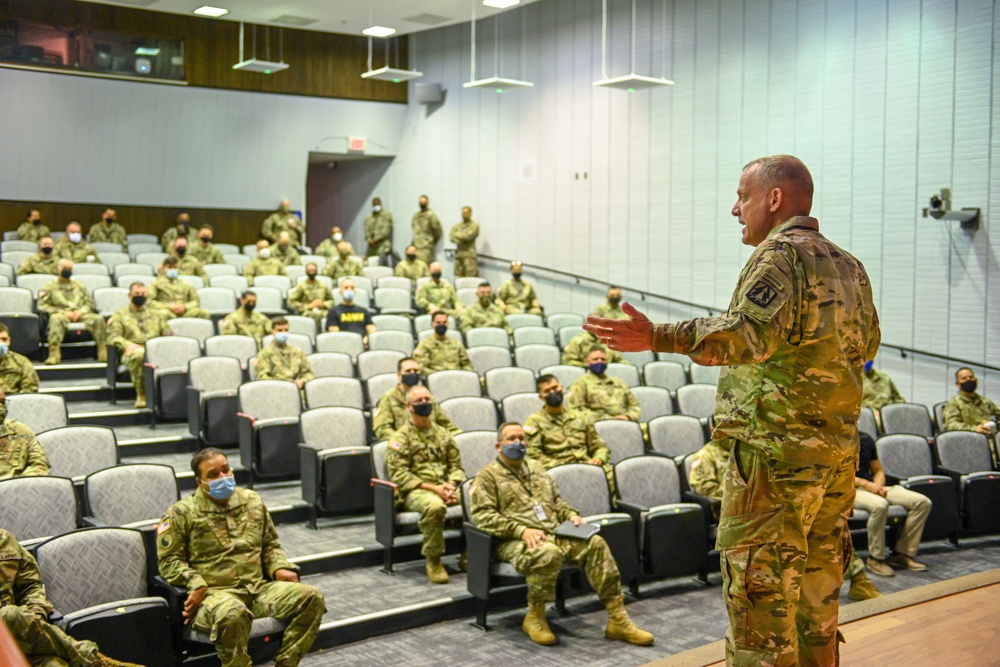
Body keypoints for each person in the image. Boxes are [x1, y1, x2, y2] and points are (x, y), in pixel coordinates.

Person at [585, 155, 880, 665]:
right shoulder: (849, 265)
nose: (734, 209)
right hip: (832, 464)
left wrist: (657, 335)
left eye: (742, 197)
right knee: (818, 613)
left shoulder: (780, 257)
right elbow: (868, 342)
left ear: (774, 199)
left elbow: (746, 334)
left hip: (775, 463)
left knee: (761, 615)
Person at [470, 422, 653, 647]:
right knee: (547, 552)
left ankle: (618, 619)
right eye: (511, 439)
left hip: (552, 531)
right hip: (511, 541)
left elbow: (557, 502)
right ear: (499, 446)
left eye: (521, 438)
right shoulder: (486, 477)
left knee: (595, 543)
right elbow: (482, 517)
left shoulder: (537, 468)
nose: (518, 442)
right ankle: (535, 616)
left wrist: (571, 516)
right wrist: (521, 530)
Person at [157, 448, 325, 667]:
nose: (223, 478)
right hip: (215, 596)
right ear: (200, 482)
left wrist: (278, 567)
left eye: (225, 470)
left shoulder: (251, 501)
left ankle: (287, 663)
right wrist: (195, 583)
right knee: (233, 613)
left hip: (257, 590)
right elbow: (169, 561)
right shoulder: (181, 513)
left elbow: (270, 545)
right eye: (213, 475)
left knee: (311, 597)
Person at [0, 527, 140, 667]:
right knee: (10, 616)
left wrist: (33, 619)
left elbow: (29, 586)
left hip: (17, 640)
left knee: (54, 664)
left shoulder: (3, 539)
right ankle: (93, 660)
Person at [384, 384, 466, 583]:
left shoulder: (444, 434)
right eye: (419, 401)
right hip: (416, 491)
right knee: (435, 506)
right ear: (409, 407)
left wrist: (451, 485)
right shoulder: (400, 438)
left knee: (479, 499)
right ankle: (434, 559)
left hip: (445, 486)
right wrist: (435, 489)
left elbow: (456, 466)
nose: (424, 404)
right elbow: (399, 475)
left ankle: (469, 553)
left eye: (427, 400)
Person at [854, 432, 931, 577]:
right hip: (846, 489)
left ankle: (902, 553)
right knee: (880, 505)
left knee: (922, 502)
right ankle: (875, 558)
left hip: (871, 486)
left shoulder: (865, 438)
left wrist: (877, 487)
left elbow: (878, 470)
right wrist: (866, 484)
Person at [524, 375, 614, 492]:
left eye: (555, 388)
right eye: (547, 391)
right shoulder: (535, 421)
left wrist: (598, 458)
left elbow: (599, 445)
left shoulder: (580, 416)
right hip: (558, 469)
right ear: (541, 397)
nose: (553, 392)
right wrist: (561, 466)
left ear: (561, 388)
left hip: (588, 465)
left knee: (614, 477)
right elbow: (534, 455)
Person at [108, 281, 170, 408]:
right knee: (139, 354)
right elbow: (113, 337)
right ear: (129, 295)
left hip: (155, 349)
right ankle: (141, 394)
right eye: (137, 293)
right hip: (131, 351)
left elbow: (166, 331)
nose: (140, 296)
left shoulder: (156, 314)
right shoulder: (120, 315)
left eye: (143, 293)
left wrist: (169, 335)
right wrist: (127, 345)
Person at [37, 258, 108, 365]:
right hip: (62, 315)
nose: (67, 270)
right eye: (65, 268)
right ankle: (54, 354)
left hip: (80, 314)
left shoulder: (79, 286)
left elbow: (89, 303)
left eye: (70, 268)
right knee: (55, 319)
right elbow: (42, 306)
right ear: (58, 268)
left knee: (98, 319)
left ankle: (103, 351)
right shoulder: (50, 287)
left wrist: (81, 312)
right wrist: (62, 312)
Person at [372, 357, 461, 441]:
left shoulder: (425, 397)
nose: (412, 373)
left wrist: (457, 435)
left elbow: (445, 423)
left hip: (433, 443)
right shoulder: (388, 399)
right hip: (405, 446)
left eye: (415, 371)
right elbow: (382, 429)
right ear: (399, 375)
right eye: (408, 371)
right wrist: (403, 440)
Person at [565, 347, 640, 423]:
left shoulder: (619, 382)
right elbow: (576, 410)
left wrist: (628, 416)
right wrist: (606, 419)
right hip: (596, 425)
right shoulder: (580, 383)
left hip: (625, 423)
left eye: (603, 359)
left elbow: (634, 405)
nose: (600, 362)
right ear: (587, 362)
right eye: (595, 359)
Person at [0, 387, 49, 478]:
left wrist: (19, 485)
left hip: (19, 489)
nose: (1, 407)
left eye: (3, 402)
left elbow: (39, 463)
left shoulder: (21, 431)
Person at [254, 317, 314, 390]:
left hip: (297, 390)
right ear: (272, 332)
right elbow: (261, 377)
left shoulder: (297, 351)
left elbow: (308, 373)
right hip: (275, 391)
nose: (283, 333)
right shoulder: (265, 353)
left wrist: (302, 381)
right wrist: (283, 384)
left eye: (286, 330)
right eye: (279, 330)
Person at [942, 367, 1000, 434]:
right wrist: (975, 429)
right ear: (958, 384)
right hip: (970, 440)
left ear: (976, 380)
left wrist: (993, 424)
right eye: (964, 378)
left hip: (992, 438)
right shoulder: (954, 403)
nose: (968, 379)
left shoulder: (986, 401)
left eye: (971, 377)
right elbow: (951, 425)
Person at [413, 311, 473, 376]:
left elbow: (466, 364)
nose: (442, 324)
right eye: (438, 322)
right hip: (435, 378)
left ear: (448, 324)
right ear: (432, 325)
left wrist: (463, 374)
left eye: (444, 322)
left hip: (457, 377)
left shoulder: (456, 344)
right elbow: (420, 367)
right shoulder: (424, 345)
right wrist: (436, 376)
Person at [288, 262, 334, 331]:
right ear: (306, 272)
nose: (312, 272)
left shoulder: (323, 285)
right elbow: (291, 301)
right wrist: (308, 306)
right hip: (307, 312)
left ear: (317, 271)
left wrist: (324, 304)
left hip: (323, 310)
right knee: (315, 315)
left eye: (314, 270)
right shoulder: (301, 286)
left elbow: (331, 300)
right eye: (310, 270)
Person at [0, 323, 39, 394]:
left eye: (4, 339)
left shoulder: (21, 362)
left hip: (12, 402)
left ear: (9, 340)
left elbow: (30, 391)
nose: (1, 343)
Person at [562, 330, 626, 367]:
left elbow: (620, 360)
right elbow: (568, 362)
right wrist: (586, 365)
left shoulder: (608, 341)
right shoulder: (578, 341)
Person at [449, 206, 479, 278]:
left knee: (471, 277)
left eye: (466, 212)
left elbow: (468, 237)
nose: (464, 214)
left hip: (469, 255)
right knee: (458, 277)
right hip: (459, 255)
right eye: (463, 213)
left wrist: (458, 235)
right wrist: (461, 237)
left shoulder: (474, 225)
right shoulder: (457, 226)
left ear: (470, 213)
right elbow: (451, 237)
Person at [411, 195, 442, 264]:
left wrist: (430, 242)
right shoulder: (416, 216)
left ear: (427, 203)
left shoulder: (431, 215)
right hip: (415, 246)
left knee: (424, 267)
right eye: (421, 202)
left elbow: (438, 231)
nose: (422, 203)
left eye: (424, 202)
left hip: (425, 247)